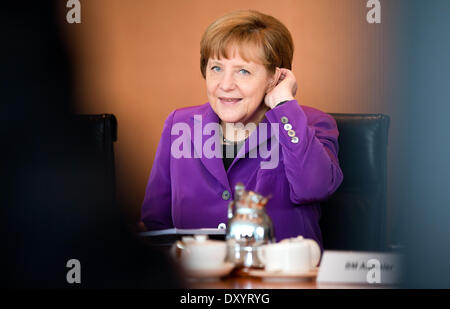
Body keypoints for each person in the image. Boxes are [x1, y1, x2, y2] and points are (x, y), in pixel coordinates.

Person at [141, 10, 343, 250]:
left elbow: (314, 187)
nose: (225, 85)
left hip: (280, 280)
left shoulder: (310, 124)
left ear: (275, 78)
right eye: (216, 68)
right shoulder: (180, 124)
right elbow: (156, 220)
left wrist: (284, 106)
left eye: (243, 71)